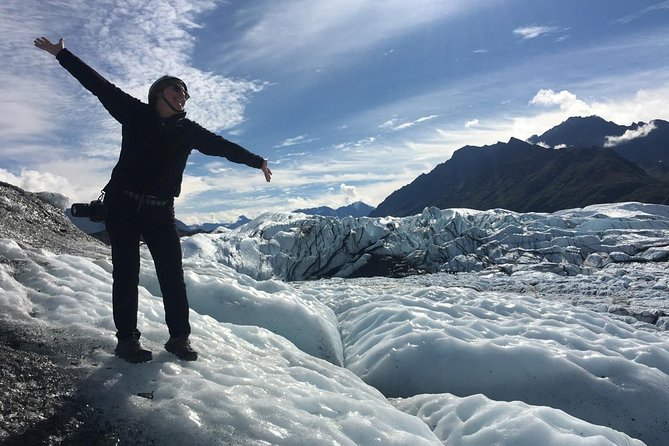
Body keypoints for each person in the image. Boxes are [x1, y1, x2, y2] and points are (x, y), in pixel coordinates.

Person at [34, 36, 272, 363]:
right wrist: (62, 54)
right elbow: (99, 85)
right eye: (177, 89)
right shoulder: (134, 113)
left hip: (161, 212)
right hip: (123, 205)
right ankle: (127, 341)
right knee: (127, 274)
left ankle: (178, 339)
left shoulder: (188, 131)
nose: (183, 95)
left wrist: (257, 161)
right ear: (159, 93)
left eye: (185, 92)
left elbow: (223, 147)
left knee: (172, 276)